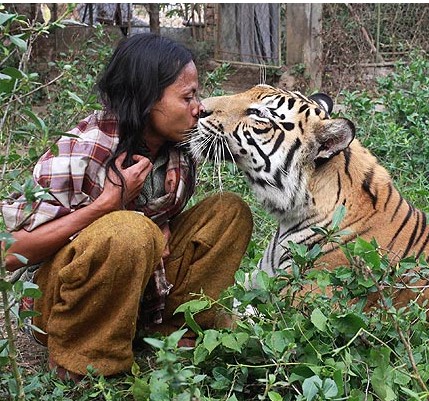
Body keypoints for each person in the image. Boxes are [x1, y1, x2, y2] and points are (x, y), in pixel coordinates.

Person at [1, 33, 253, 379]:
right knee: (130, 231)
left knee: (229, 212)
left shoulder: (176, 145)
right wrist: (104, 206)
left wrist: (160, 223)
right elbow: (9, 252)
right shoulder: (85, 149)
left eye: (197, 94)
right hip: (54, 304)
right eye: (187, 97)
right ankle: (84, 359)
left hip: (137, 288)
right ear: (148, 99)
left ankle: (169, 331)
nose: (199, 107)